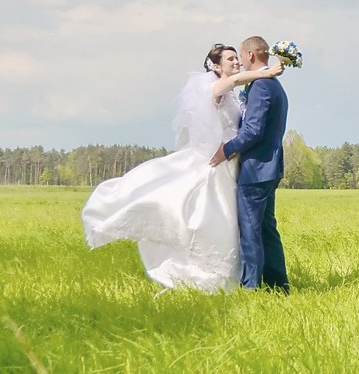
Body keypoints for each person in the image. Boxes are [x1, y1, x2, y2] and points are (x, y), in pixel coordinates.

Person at [82, 43, 282, 292]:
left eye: (236, 58)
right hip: (219, 160)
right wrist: (266, 72)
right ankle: (210, 273)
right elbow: (238, 80)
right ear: (216, 66)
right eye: (230, 59)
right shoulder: (216, 87)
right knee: (210, 218)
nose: (236, 63)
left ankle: (238, 276)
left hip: (233, 163)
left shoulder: (236, 94)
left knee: (232, 223)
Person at [210, 35, 290, 292]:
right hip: (270, 167)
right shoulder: (274, 85)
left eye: (241, 57)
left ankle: (251, 287)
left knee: (251, 230)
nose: (241, 63)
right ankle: (279, 285)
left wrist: (227, 150)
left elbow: (253, 130)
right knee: (267, 228)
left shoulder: (261, 86)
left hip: (256, 169)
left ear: (251, 56)